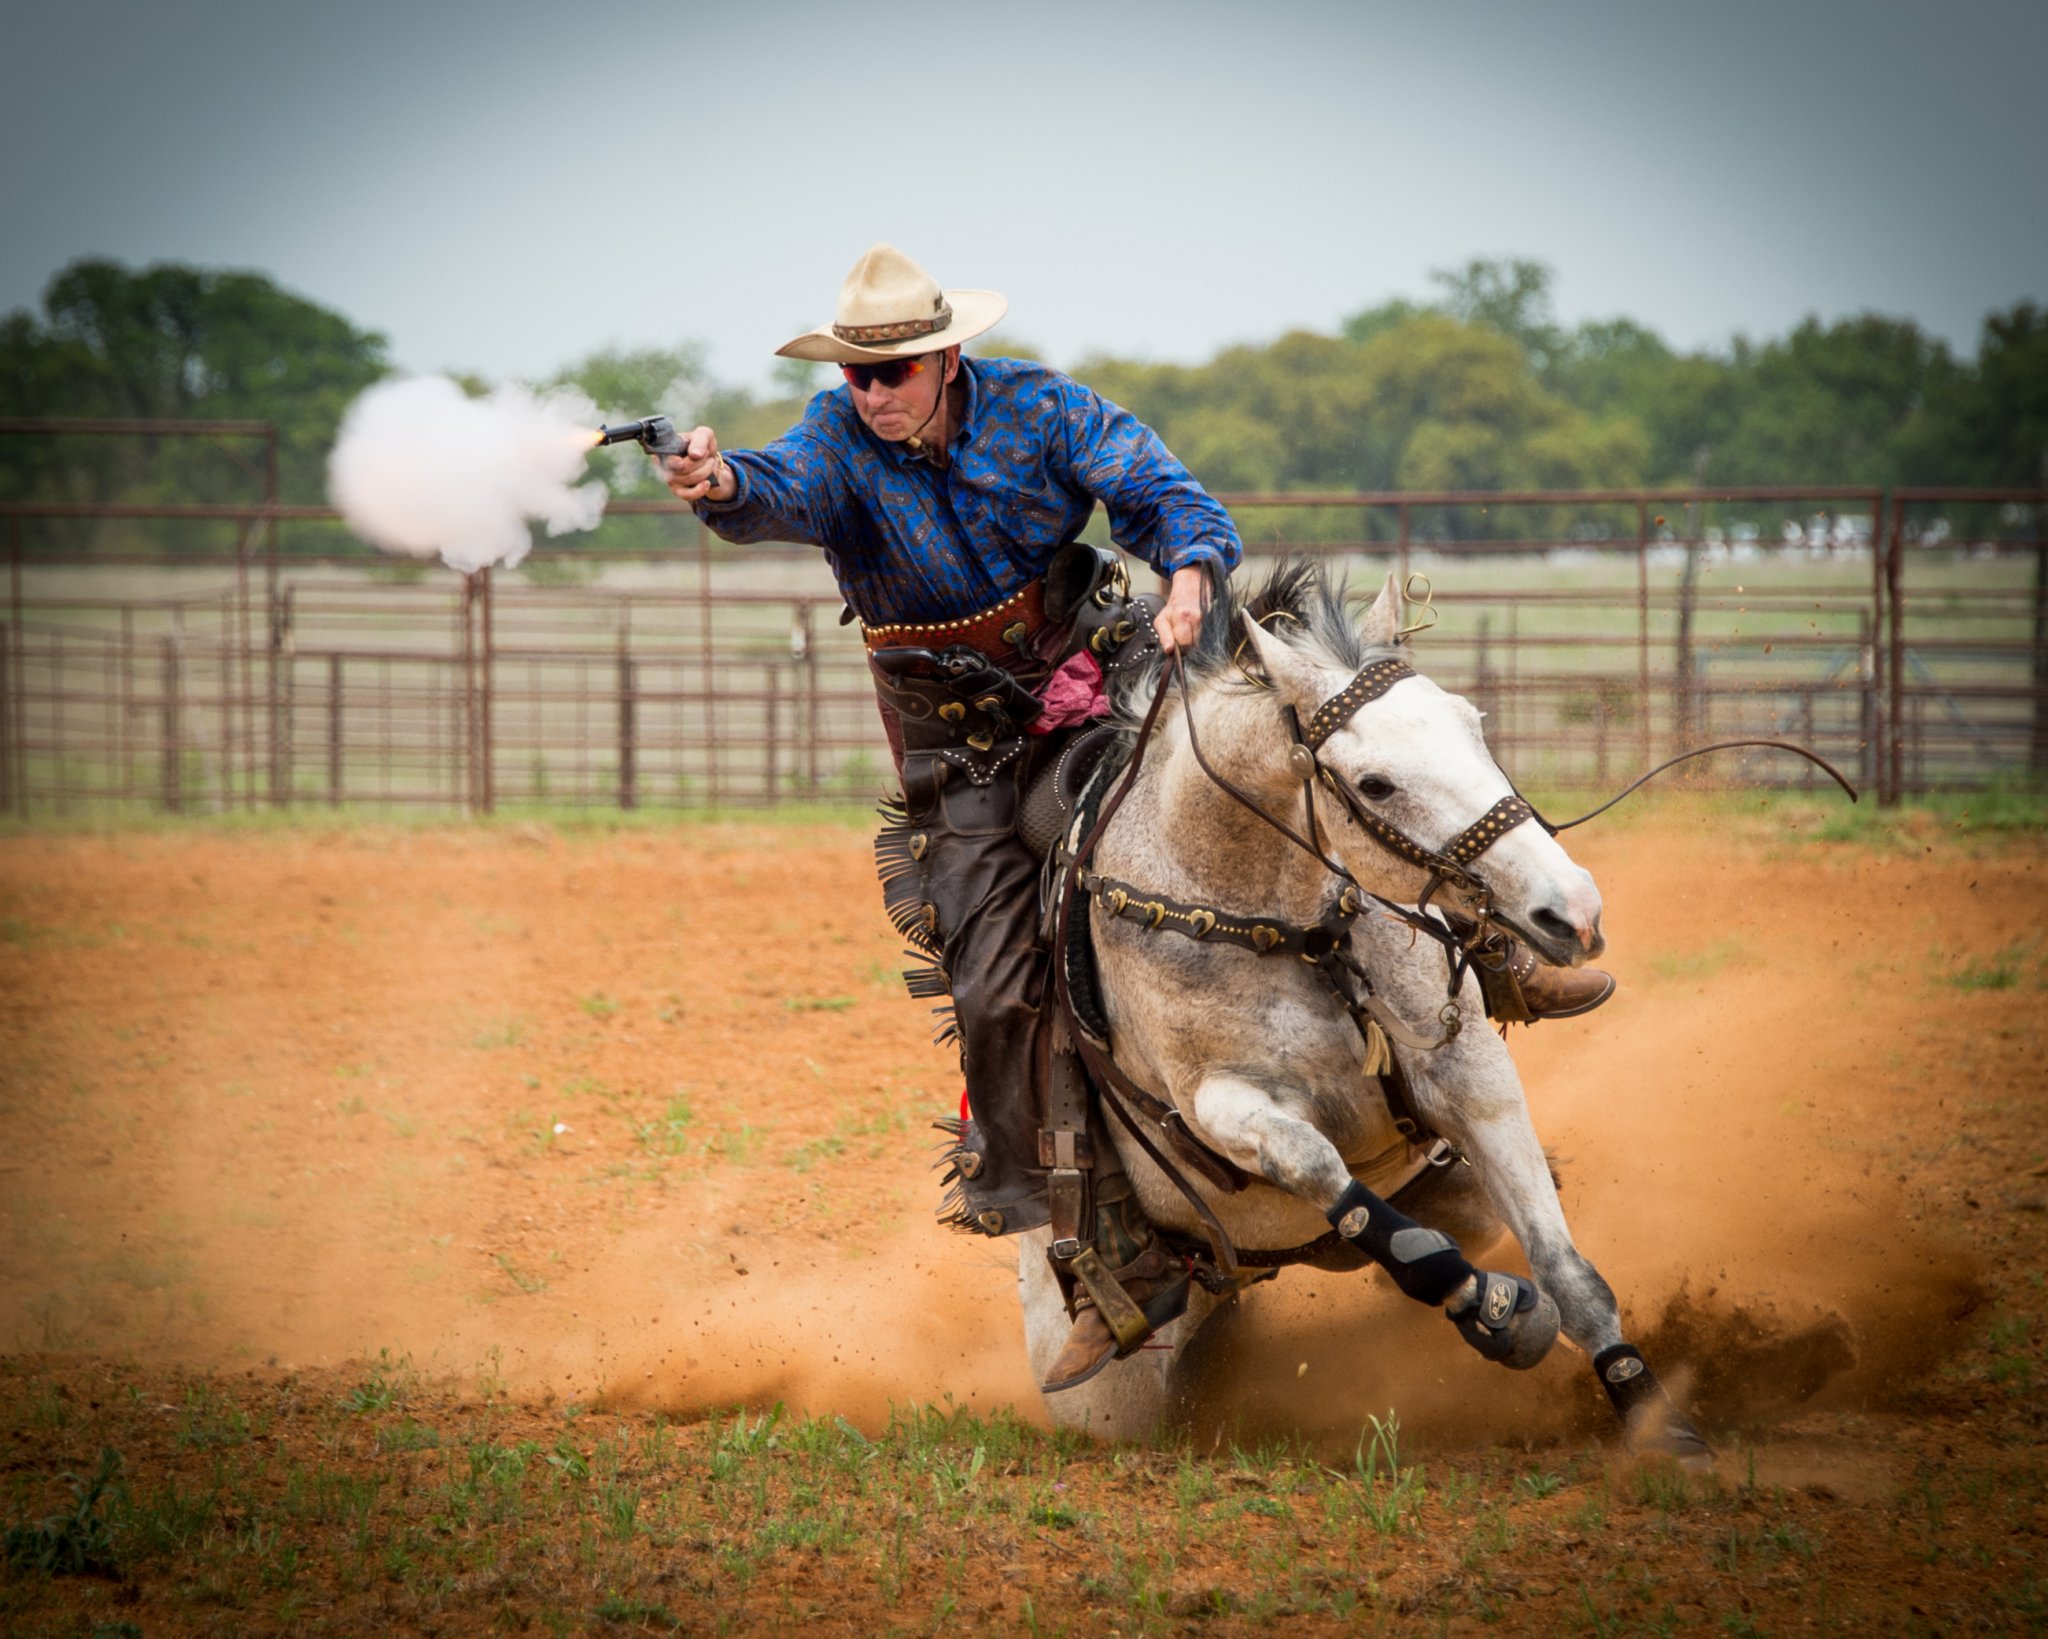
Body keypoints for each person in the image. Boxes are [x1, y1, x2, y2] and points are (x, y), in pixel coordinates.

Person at [659, 245, 1612, 1391]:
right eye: (859, 376)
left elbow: (1161, 492)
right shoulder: (832, 440)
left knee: (1306, 776)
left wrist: (1192, 578)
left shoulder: (1038, 407)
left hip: (1104, 671)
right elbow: (772, 490)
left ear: (947, 355)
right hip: (963, 757)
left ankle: (1495, 949)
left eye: (895, 370)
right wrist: (715, 482)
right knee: (996, 977)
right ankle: (1096, 1243)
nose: (874, 393)